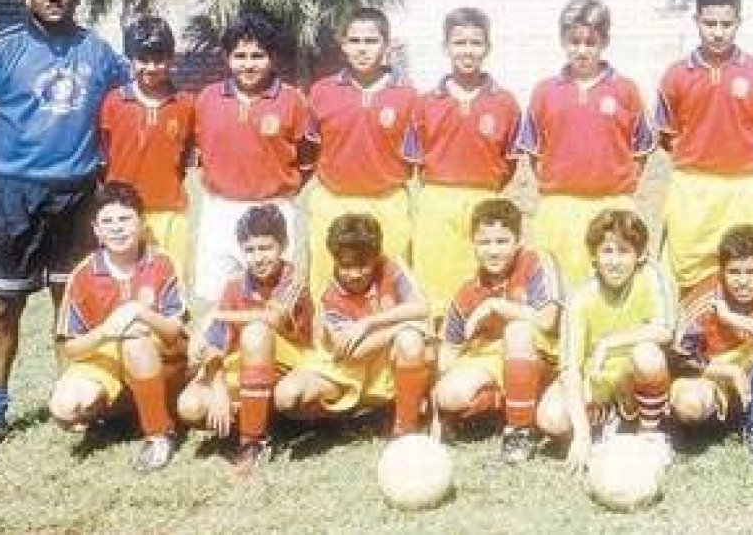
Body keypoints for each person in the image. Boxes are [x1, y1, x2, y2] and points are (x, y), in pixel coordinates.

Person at [0, 0, 129, 460]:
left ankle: (73, 400)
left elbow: (125, 109)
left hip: (77, 194)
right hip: (11, 195)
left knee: (71, 302)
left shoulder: (100, 53)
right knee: (2, 305)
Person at [655, 0, 753, 294]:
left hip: (745, 188)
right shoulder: (675, 75)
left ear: (739, 22)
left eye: (726, 24)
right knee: (688, 272)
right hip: (693, 188)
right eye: (709, 23)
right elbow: (666, 136)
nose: (717, 32)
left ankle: (744, 326)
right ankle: (688, 324)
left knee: (747, 272)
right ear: (696, 21)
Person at [49, 182, 188, 472]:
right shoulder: (84, 274)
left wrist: (140, 312)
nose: (117, 228)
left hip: (161, 358)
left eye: (125, 219)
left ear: (142, 223)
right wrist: (105, 332)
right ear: (96, 230)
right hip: (108, 358)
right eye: (108, 222)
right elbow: (70, 346)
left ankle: (159, 434)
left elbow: (174, 331)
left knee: (134, 341)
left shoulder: (162, 263)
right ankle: (125, 412)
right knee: (65, 407)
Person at [516, 0, 655, 286]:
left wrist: (618, 185)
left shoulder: (625, 90)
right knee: (559, 285)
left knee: (614, 286)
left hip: (612, 204)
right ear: (562, 41)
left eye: (590, 43)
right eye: (574, 42)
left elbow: (640, 151)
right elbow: (534, 154)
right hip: (559, 208)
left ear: (604, 42)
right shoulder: (544, 92)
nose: (581, 50)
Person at [177, 205, 314, 476]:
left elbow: (273, 318)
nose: (258, 258)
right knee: (190, 406)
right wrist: (218, 389)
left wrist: (217, 313)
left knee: (256, 331)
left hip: (292, 363)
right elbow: (216, 342)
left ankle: (253, 441)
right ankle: (257, 415)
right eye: (250, 250)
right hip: (246, 365)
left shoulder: (293, 280)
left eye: (266, 248)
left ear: (283, 246)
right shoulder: (234, 285)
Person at [535, 209, 676, 472]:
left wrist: (610, 342)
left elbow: (664, 330)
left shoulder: (651, 276)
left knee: (648, 355)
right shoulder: (580, 298)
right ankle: (607, 421)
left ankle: (649, 435)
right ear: (594, 256)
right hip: (598, 376)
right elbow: (570, 369)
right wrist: (581, 435)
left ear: (640, 255)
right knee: (551, 419)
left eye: (624, 251)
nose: (615, 261)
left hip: (633, 373)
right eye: (607, 251)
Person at [272, 213, 433, 437]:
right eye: (346, 266)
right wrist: (400, 326)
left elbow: (421, 307)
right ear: (335, 260)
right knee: (286, 396)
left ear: (375, 257)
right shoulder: (330, 297)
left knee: (410, 340)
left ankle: (405, 428)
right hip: (343, 372)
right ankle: (340, 420)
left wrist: (368, 322)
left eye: (363, 265)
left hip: (383, 368)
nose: (355, 274)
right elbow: (355, 352)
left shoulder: (390, 268)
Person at [191, 14, 313, 304]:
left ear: (273, 58)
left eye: (258, 56)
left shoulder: (293, 101)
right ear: (227, 58)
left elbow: (307, 159)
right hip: (220, 209)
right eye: (240, 56)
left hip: (273, 208)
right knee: (219, 295)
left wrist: (277, 188)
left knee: (275, 298)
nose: (248, 64)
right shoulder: (207, 99)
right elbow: (199, 151)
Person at [433, 198, 562, 463]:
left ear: (518, 241)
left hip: (544, 354)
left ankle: (520, 430)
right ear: (473, 244)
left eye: (502, 241)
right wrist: (437, 413)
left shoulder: (536, 263)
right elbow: (448, 353)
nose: (493, 251)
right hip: (494, 360)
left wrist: (496, 305)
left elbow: (547, 320)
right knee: (449, 395)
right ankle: (514, 405)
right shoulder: (469, 291)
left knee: (517, 331)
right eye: (485, 243)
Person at [411, 8, 522, 317]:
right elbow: (417, 161)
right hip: (437, 201)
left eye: (476, 43)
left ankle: (477, 336)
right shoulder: (426, 102)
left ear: (488, 47)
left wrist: (483, 188)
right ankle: (434, 336)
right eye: (460, 43)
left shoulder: (505, 102)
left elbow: (510, 162)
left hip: (483, 198)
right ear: (446, 47)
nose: (468, 51)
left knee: (482, 279)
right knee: (434, 280)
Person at [307, 8, 419, 300]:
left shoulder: (408, 96)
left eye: (371, 41)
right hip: (333, 202)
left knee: (390, 288)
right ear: (343, 45)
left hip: (387, 203)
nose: (362, 49)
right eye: (354, 41)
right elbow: (309, 150)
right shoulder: (321, 92)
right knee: (326, 289)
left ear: (386, 44)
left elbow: (415, 159)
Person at [670, 224, 753, 465]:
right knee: (689, 406)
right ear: (722, 272)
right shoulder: (705, 298)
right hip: (712, 378)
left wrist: (732, 318)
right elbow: (680, 358)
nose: (743, 281)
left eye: (752, 272)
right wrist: (730, 371)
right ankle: (704, 424)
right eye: (734, 272)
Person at [99, 16, 195, 277]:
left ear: (171, 59)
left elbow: (184, 156)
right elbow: (105, 151)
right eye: (143, 59)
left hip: (169, 210)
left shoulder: (185, 104)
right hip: (122, 211)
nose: (151, 68)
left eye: (159, 59)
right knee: (124, 280)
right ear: (130, 59)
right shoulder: (114, 102)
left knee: (168, 282)